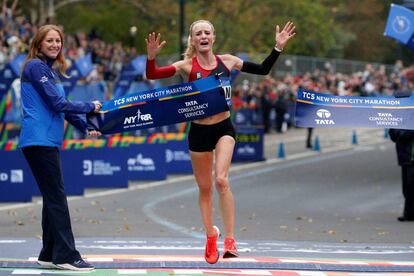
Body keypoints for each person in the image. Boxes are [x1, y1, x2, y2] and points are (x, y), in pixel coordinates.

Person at [145, 19, 295, 264]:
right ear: (193, 40)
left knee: (221, 180)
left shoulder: (228, 61)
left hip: (224, 127)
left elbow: (263, 69)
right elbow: (153, 74)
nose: (203, 36)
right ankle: (210, 236)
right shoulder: (186, 65)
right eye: (198, 33)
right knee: (205, 189)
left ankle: (230, 238)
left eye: (207, 32)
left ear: (213, 37)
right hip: (199, 131)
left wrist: (277, 48)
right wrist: (151, 57)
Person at [18, 24, 102, 271]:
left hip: (46, 141)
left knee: (51, 197)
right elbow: (57, 103)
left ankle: (48, 253)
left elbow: (62, 107)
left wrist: (85, 126)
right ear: (39, 43)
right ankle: (66, 255)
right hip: (37, 140)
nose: (55, 44)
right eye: (50, 40)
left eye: (58, 41)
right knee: (57, 198)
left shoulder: (48, 71)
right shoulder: (35, 66)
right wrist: (90, 107)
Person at [389, 128, 414, 222]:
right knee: (407, 188)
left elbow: (406, 135)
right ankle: (408, 214)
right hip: (404, 158)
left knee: (411, 185)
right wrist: (393, 128)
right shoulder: (401, 120)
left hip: (412, 158)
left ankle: (409, 213)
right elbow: (394, 137)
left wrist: (400, 132)